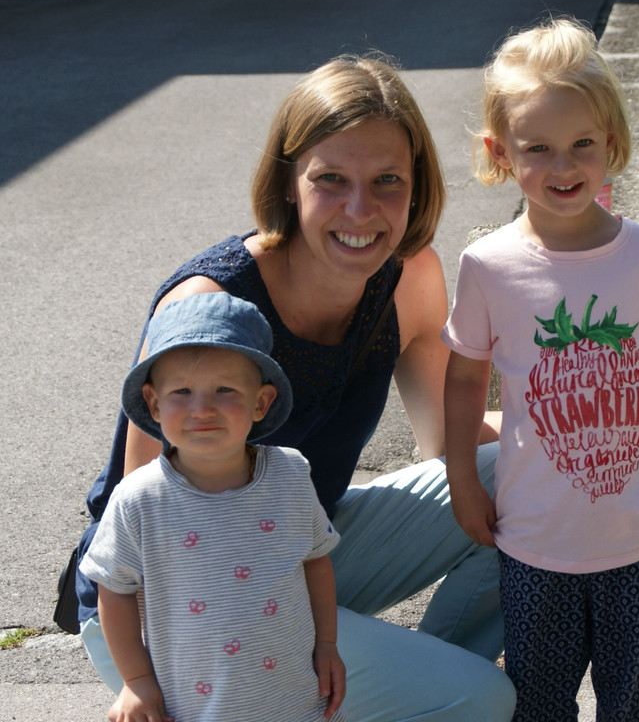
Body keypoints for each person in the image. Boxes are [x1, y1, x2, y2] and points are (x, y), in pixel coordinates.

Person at [77, 54, 516, 721]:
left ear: (416, 186)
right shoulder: (209, 303)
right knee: (482, 698)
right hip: (169, 605)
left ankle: (419, 689)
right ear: (287, 181)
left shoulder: (410, 276)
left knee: (526, 473)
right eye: (331, 179)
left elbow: (449, 442)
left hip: (296, 552)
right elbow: (146, 521)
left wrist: (581, 437)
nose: (360, 209)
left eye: (387, 180)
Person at [442, 18, 639, 722]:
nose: (563, 165)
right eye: (537, 147)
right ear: (500, 152)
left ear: (612, 142)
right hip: (534, 538)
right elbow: (463, 379)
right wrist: (461, 478)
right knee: (537, 701)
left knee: (630, 701)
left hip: (638, 532)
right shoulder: (488, 266)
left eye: (581, 143)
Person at [79, 292, 346, 721]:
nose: (201, 409)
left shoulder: (290, 475)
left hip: (298, 700)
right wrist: (136, 681)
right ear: (154, 403)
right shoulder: (139, 498)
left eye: (224, 390)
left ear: (261, 402)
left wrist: (327, 644)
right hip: (196, 705)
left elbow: (315, 561)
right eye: (182, 391)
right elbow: (114, 589)